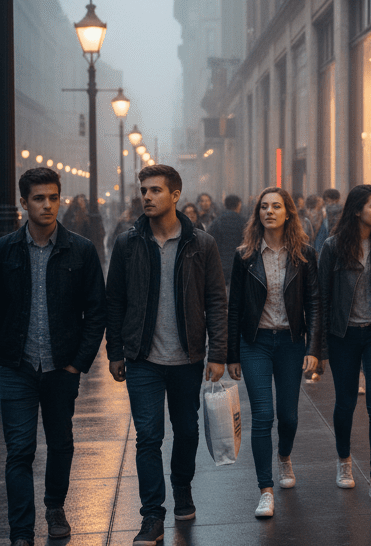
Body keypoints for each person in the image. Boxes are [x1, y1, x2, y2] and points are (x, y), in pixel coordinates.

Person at [105, 164, 228, 546]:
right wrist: (115, 350)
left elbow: (215, 301)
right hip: (142, 358)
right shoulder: (128, 243)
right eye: (143, 190)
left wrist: (217, 352)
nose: (146, 196)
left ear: (175, 195)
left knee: (187, 431)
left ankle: (183, 488)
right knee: (147, 437)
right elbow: (115, 301)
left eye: (155, 190)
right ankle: (152, 515)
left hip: (188, 357)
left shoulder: (200, 243)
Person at [0, 168, 106, 545]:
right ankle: (22, 532)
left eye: (53, 197)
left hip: (62, 365)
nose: (47, 205)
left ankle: (55, 506)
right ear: (24, 203)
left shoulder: (80, 249)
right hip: (16, 366)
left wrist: (78, 362)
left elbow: (97, 311)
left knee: (61, 442)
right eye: (39, 198)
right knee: (20, 449)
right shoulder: (6, 250)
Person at [226, 188, 322, 519]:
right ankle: (265, 490)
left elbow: (314, 303)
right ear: (258, 214)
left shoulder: (305, 254)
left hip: (292, 343)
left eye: (276, 206)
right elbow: (234, 305)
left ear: (288, 213)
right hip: (256, 343)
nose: (270, 211)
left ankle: (284, 457)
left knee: (289, 416)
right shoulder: (244, 256)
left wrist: (313, 348)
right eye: (264, 207)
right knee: (263, 416)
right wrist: (231, 354)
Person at [318, 184, 371, 504]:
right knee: (345, 403)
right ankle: (344, 463)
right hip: (343, 336)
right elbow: (322, 298)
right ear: (357, 210)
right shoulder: (333, 246)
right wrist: (319, 349)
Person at [207, 195, 247, 292]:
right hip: (240, 263)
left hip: (221, 264)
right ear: (239, 205)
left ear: (225, 205)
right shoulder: (244, 222)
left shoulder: (217, 222)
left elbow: (209, 242)